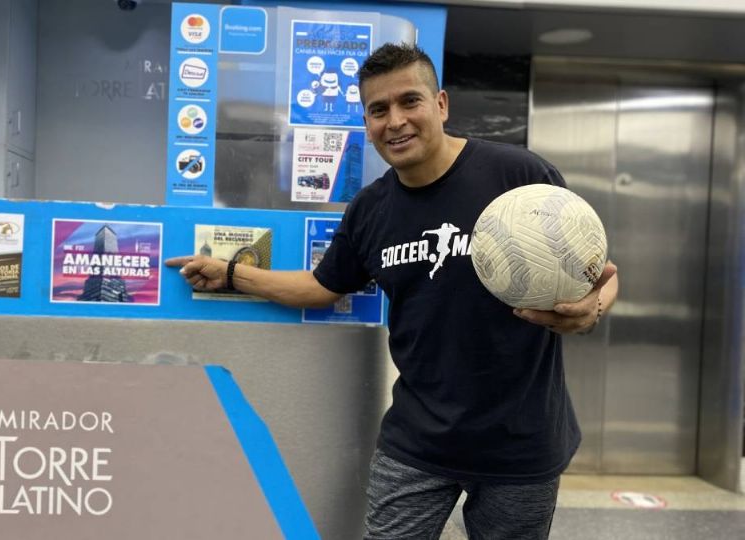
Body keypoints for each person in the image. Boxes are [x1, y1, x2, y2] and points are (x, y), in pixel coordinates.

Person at [165, 42, 619, 540]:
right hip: (419, 440)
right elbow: (322, 285)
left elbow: (599, 270)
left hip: (522, 441)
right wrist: (232, 274)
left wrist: (591, 308)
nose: (395, 120)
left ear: (441, 104)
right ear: (366, 122)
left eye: (410, 101)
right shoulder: (371, 209)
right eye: (378, 110)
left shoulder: (520, 176)